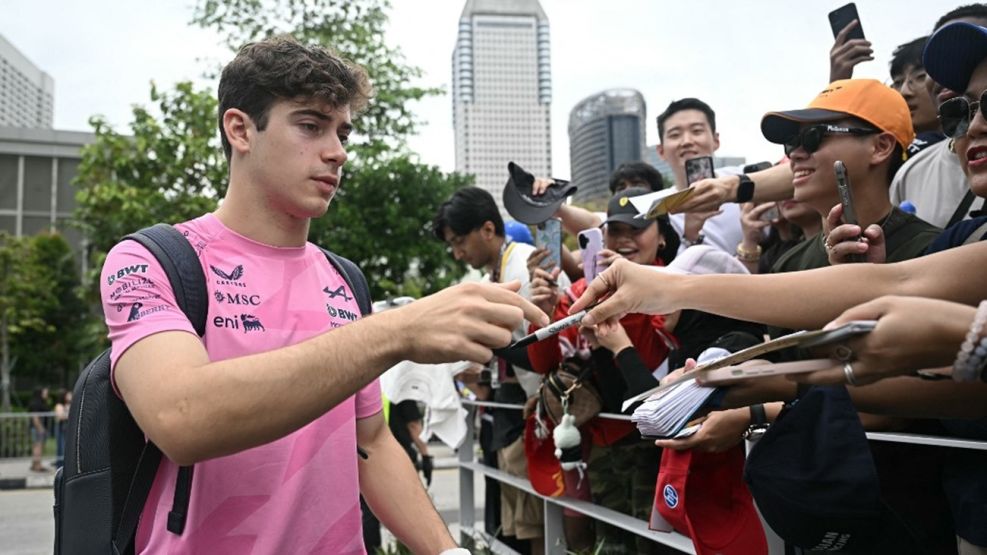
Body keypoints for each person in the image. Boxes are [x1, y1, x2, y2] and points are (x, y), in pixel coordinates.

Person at [101, 36, 546, 554]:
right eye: (310, 126)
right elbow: (182, 418)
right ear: (240, 129)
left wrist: (447, 551)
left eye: (342, 131)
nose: (337, 152)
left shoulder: (344, 278)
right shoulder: (150, 260)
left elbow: (371, 444)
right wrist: (396, 331)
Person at [527, 187, 674, 554]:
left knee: (660, 545)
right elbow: (545, 365)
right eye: (614, 231)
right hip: (597, 442)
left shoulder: (674, 283)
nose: (623, 240)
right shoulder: (577, 292)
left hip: (655, 445)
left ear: (662, 237)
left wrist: (619, 295)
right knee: (608, 545)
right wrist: (541, 315)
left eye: (636, 230)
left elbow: (654, 350)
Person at [433, 186, 564, 555]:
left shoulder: (523, 266)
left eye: (460, 241)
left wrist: (486, 346)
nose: (458, 253)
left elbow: (548, 343)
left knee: (540, 519)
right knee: (531, 518)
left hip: (549, 406)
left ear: (488, 230)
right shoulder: (499, 270)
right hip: (531, 407)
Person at [28, 387, 50, 473]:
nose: (46, 394)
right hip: (38, 428)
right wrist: (41, 429)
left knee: (36, 446)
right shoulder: (36, 404)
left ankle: (34, 464)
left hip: (37, 428)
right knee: (38, 447)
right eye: (45, 393)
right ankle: (38, 465)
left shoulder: (38, 402)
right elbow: (35, 417)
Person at [53, 389, 71, 469]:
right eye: (67, 395)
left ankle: (65, 465)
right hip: (61, 428)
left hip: (66, 428)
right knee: (61, 447)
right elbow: (61, 416)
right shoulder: (59, 405)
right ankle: (60, 466)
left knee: (66, 447)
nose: (69, 396)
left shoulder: (68, 404)